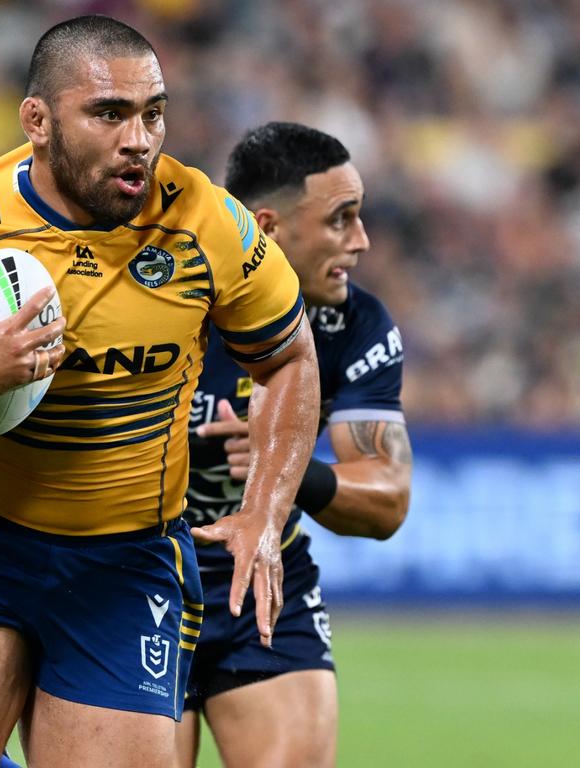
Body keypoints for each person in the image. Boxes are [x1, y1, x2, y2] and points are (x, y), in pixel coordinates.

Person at [0, 15, 320, 768]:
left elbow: (291, 358)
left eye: (153, 113)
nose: (138, 138)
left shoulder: (208, 223)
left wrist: (263, 516)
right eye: (108, 113)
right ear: (37, 122)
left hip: (126, 562)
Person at [176, 122, 413, 768]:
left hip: (265, 585)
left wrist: (289, 471)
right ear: (268, 228)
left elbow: (389, 498)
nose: (361, 242)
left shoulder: (354, 325)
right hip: (142, 581)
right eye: (341, 220)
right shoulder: (168, 303)